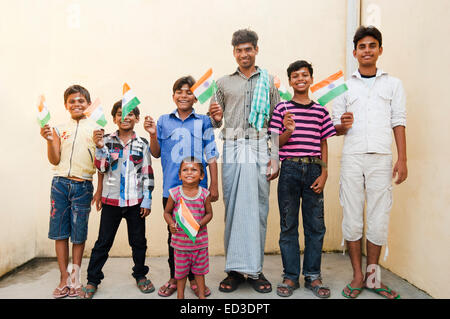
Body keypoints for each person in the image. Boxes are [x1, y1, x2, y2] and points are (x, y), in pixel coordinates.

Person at [332, 26, 407, 299]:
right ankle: (357, 275)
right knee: (352, 219)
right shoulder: (343, 86)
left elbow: (399, 121)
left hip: (382, 159)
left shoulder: (393, 84)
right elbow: (333, 126)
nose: (367, 50)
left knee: (378, 219)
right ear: (355, 52)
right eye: (362, 46)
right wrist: (342, 125)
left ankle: (374, 278)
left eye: (372, 45)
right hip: (352, 158)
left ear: (380, 50)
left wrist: (402, 158)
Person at [208, 29, 280, 293]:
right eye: (239, 50)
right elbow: (215, 122)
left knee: (258, 209)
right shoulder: (223, 83)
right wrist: (214, 116)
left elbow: (276, 122)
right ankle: (235, 270)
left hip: (260, 147)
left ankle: (256, 271)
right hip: (234, 147)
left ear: (256, 50)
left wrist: (275, 157)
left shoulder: (268, 82)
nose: (244, 54)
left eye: (248, 49)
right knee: (235, 207)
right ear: (234, 52)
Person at [144, 76, 219, 297]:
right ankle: (175, 278)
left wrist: (214, 185)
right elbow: (156, 153)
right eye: (179, 91)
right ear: (173, 95)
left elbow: (212, 154)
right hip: (172, 189)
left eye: (188, 92)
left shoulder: (204, 121)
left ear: (196, 97)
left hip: (198, 190)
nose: (183, 95)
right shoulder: (163, 121)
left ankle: (196, 280)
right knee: (175, 236)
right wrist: (151, 135)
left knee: (197, 234)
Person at [269, 60, 336, 298]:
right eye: (295, 75)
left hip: (314, 170)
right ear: (290, 81)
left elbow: (323, 142)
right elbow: (275, 143)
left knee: (315, 225)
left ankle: (313, 276)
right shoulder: (282, 109)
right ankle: (290, 276)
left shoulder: (320, 110)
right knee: (288, 224)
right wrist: (288, 129)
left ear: (311, 79)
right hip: (289, 170)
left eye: (304, 75)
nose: (300, 79)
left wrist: (325, 172)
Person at [78, 101, 155, 299]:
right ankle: (92, 280)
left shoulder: (142, 144)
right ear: (114, 119)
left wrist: (147, 199)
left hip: (135, 202)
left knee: (138, 241)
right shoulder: (105, 140)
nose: (125, 117)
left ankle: (140, 275)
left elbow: (147, 172)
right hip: (111, 201)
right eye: (120, 114)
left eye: (130, 114)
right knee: (103, 242)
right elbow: (102, 168)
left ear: (137, 118)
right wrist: (100, 147)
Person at [40, 84, 99, 298]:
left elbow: (101, 162)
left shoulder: (95, 129)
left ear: (88, 104)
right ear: (66, 105)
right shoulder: (58, 129)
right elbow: (54, 159)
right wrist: (48, 141)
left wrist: (100, 189)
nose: (76, 104)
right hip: (60, 185)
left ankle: (76, 276)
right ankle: (63, 277)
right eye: (72, 101)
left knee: (78, 233)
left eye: (81, 100)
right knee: (60, 233)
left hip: (83, 185)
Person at [163, 157, 213, 299]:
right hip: (180, 245)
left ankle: (202, 296)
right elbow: (167, 213)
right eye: (185, 170)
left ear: (202, 175)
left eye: (194, 169)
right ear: (179, 175)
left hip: (200, 244)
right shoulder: (174, 194)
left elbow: (209, 214)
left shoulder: (204, 194)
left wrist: (199, 224)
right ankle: (180, 296)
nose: (189, 172)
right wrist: (171, 224)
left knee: (199, 272)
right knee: (180, 273)